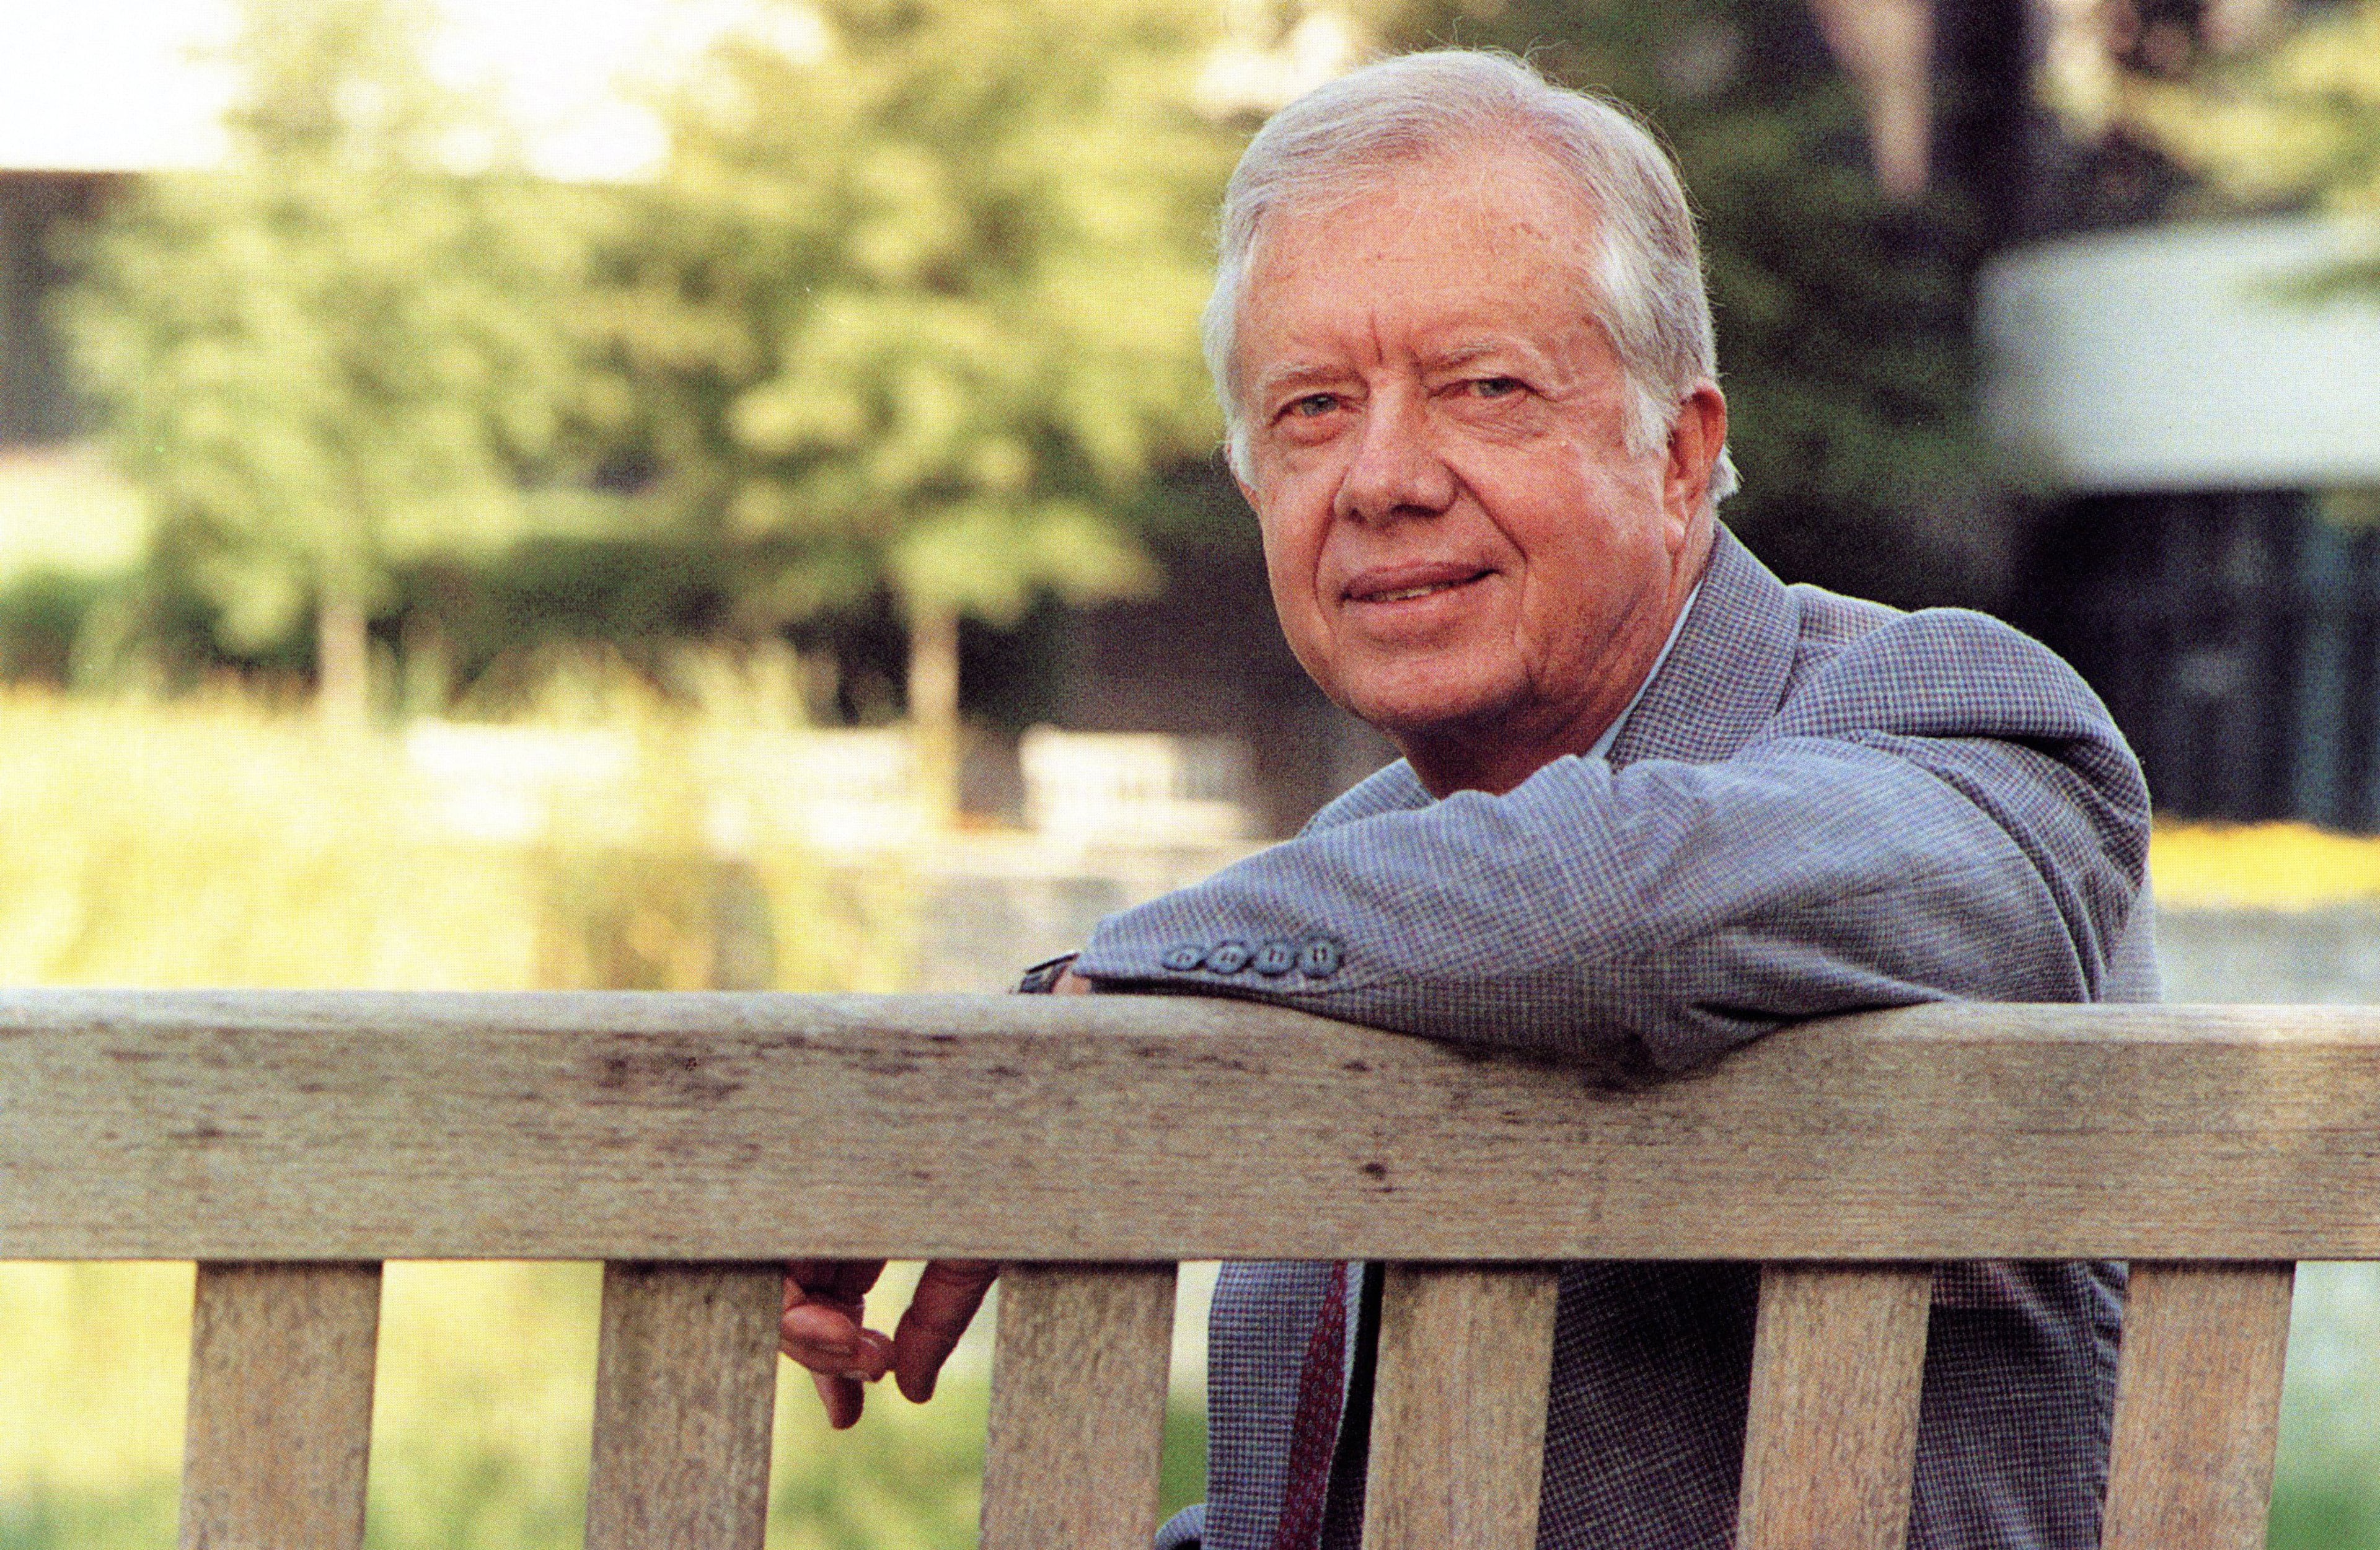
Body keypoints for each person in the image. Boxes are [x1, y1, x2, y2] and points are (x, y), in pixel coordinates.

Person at [780, 48, 2156, 1550]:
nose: (1381, 478)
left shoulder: (1960, 724)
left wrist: (1088, 1002)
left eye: (1484, 389)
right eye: (1310, 409)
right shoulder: (1357, 882)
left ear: (1683, 452)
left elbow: (1614, 911)